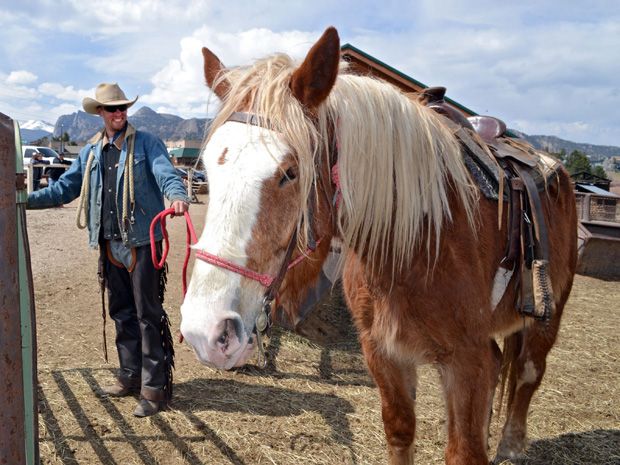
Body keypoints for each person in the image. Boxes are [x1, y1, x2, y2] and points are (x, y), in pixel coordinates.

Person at [28, 83, 190, 417]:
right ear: (100, 113)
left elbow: (166, 174)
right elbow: (63, 190)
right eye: (112, 109)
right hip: (110, 243)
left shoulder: (147, 143)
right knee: (121, 312)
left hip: (144, 241)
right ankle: (129, 375)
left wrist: (176, 196)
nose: (119, 114)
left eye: (123, 108)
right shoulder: (90, 153)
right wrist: (24, 200)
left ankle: (154, 390)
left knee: (148, 315)